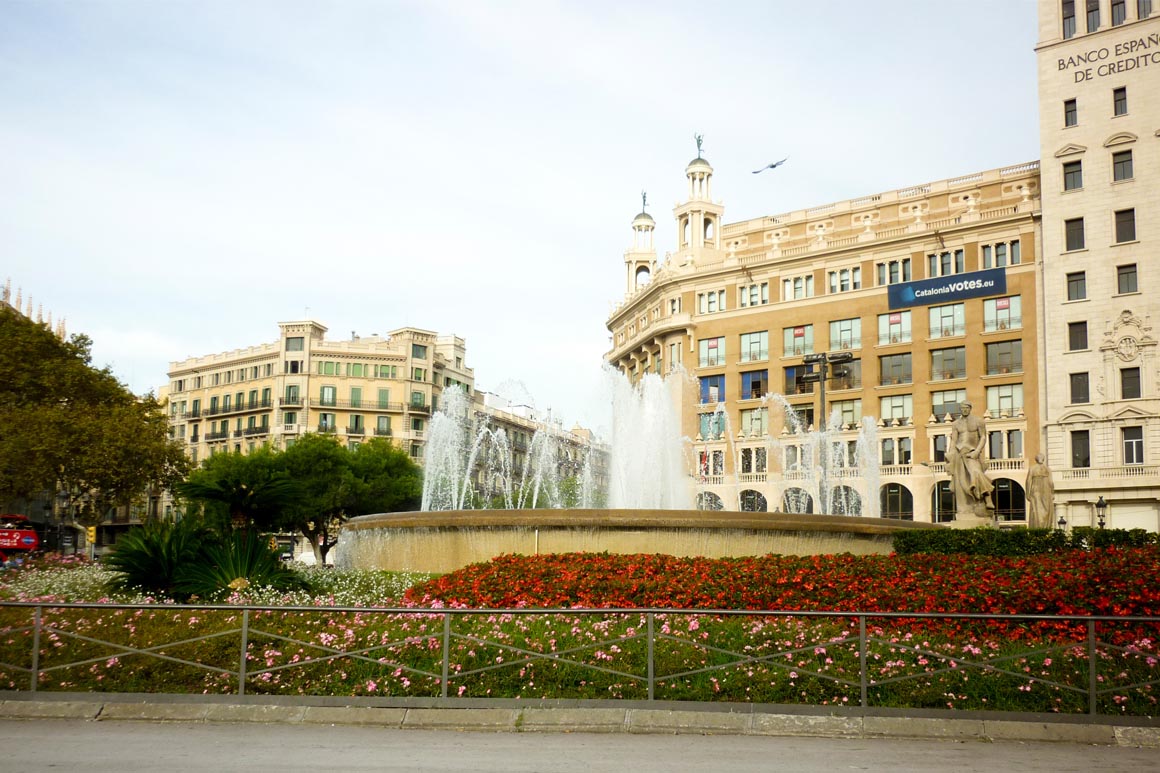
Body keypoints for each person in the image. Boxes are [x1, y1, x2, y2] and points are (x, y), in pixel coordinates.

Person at [946, 401, 995, 517]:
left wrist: (977, 451)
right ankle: (964, 509)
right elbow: (953, 440)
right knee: (960, 483)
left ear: (970, 408)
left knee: (976, 473)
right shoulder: (956, 424)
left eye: (967, 408)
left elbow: (983, 437)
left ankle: (987, 498)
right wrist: (950, 455)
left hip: (972, 453)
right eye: (962, 408)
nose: (964, 410)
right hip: (959, 453)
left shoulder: (978, 421)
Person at [1026, 454, 1055, 529]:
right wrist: (1052, 492)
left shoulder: (1034, 468)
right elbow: (1051, 482)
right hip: (1040, 489)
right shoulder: (1047, 469)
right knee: (1038, 508)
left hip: (1042, 489)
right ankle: (1041, 526)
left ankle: (1041, 527)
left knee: (1040, 509)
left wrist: (1027, 493)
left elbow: (1028, 481)